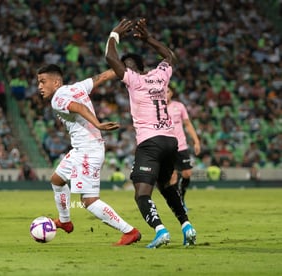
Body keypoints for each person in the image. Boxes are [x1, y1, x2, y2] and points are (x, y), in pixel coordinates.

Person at [105, 18, 196, 248]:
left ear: (130, 67)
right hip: (170, 140)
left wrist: (114, 35)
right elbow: (169, 56)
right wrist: (148, 39)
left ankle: (160, 230)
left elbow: (110, 57)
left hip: (150, 142)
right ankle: (187, 226)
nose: (121, 70)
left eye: (124, 66)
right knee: (166, 187)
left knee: (141, 193)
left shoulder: (133, 80)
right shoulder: (159, 76)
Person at [37, 64, 141, 246]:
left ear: (56, 82)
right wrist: (124, 70)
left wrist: (98, 124)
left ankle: (129, 231)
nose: (39, 86)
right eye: (38, 82)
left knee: (89, 201)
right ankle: (65, 221)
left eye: (43, 82)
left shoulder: (57, 99)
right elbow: (101, 77)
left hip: (88, 151)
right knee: (57, 180)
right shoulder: (77, 87)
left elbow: (77, 107)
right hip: (80, 150)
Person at [166, 85, 201, 208]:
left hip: (181, 146)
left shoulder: (179, 106)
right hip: (167, 148)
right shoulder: (157, 108)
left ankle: (181, 195)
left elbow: (187, 124)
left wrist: (196, 141)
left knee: (187, 173)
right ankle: (178, 204)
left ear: (172, 93)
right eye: (163, 91)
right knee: (173, 175)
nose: (165, 93)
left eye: (168, 91)